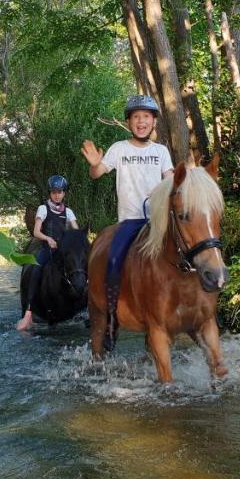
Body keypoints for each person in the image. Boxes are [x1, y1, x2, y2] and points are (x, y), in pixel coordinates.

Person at [80, 95, 174, 338]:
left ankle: (195, 308)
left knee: (189, 254)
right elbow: (98, 173)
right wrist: (93, 164)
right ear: (129, 122)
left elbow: (171, 179)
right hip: (130, 221)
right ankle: (111, 316)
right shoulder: (119, 149)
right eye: (136, 117)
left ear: (154, 121)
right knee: (113, 261)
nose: (141, 121)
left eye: (146, 117)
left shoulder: (161, 151)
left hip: (159, 221)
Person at [16, 175, 79, 331]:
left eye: (60, 192)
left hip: (61, 251)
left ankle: (86, 308)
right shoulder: (43, 209)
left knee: (80, 270)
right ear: (50, 193)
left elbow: (76, 232)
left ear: (64, 193)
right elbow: (37, 232)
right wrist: (48, 239)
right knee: (35, 271)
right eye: (54, 192)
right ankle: (28, 313)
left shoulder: (69, 212)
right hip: (47, 249)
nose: (57, 194)